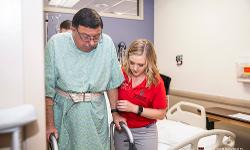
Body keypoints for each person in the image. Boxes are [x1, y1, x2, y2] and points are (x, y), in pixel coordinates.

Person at [45, 8, 125, 150]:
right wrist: (49, 124)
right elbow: (48, 90)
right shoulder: (56, 44)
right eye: (86, 37)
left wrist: (115, 113)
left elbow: (112, 83)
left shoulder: (106, 43)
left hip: (96, 115)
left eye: (96, 36)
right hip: (65, 113)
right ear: (73, 30)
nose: (92, 42)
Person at [113, 39, 168, 150]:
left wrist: (135, 108)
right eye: (132, 62)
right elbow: (111, 90)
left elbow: (161, 114)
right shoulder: (121, 73)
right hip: (122, 129)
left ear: (149, 62)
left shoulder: (155, 81)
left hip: (145, 132)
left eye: (140, 65)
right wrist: (115, 113)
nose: (134, 68)